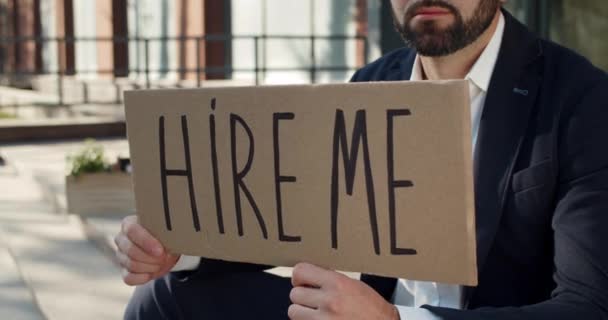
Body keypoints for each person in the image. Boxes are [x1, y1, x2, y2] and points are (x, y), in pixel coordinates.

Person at [116, 0, 608, 319]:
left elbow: (589, 307)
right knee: (164, 299)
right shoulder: (373, 81)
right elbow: (293, 223)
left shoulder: (580, 98)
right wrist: (184, 245)